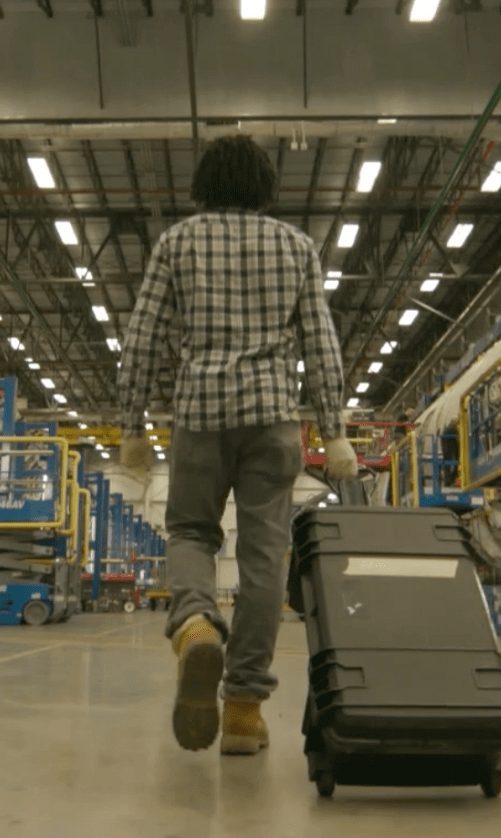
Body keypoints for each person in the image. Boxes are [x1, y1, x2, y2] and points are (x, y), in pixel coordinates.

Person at [118, 136, 357, 756]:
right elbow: (321, 344)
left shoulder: (178, 242)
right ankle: (245, 712)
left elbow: (141, 336)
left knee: (192, 533)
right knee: (263, 559)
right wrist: (334, 431)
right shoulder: (297, 247)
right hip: (273, 419)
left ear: (203, 184)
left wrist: (131, 427)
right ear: (265, 188)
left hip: (199, 414)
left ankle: (195, 623)